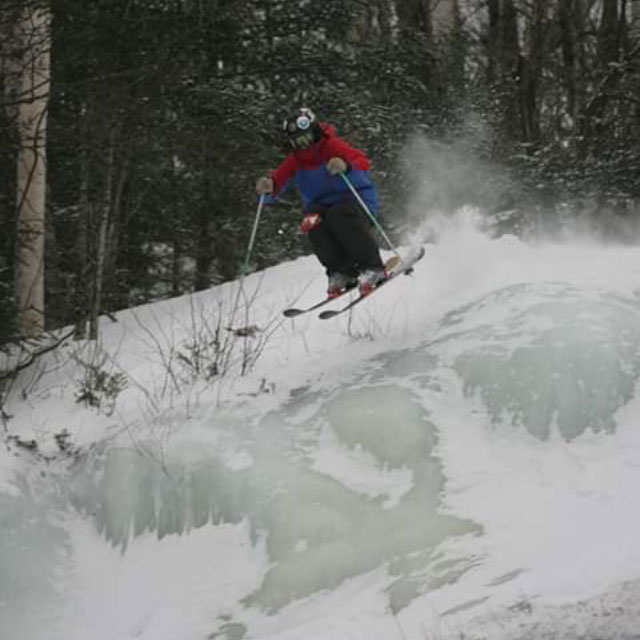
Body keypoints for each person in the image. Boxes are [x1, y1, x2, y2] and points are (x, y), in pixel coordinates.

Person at [256, 107, 386, 297]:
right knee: (312, 221)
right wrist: (267, 187)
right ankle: (341, 272)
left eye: (305, 138)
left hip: (355, 200)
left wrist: (345, 166)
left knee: (339, 215)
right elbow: (275, 183)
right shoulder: (295, 161)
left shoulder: (331, 146)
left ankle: (372, 267)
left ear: (314, 132)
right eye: (297, 142)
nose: (303, 146)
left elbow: (361, 164)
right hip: (322, 206)